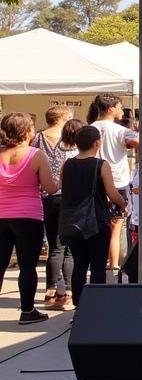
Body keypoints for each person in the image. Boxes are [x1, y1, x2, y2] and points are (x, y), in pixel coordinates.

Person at [60, 125, 127, 309]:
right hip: (96, 220)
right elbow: (112, 193)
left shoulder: (67, 165)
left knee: (79, 264)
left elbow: (62, 187)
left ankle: (79, 306)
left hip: (72, 221)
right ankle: (95, 307)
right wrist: (122, 203)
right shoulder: (100, 164)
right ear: (97, 143)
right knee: (97, 265)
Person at [0, 113, 58, 323]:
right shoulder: (35, 155)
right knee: (27, 266)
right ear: (25, 132)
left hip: (0, 215)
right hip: (28, 215)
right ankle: (27, 311)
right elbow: (50, 188)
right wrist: (60, 179)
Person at [87, 94, 139, 276]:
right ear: (110, 108)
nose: (121, 110)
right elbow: (141, 143)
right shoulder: (120, 130)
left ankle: (100, 263)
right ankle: (114, 265)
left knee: (98, 226)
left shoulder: (89, 128)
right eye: (119, 107)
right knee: (116, 228)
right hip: (118, 181)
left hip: (93, 181)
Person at [31, 106, 75, 309]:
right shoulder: (70, 139)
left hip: (45, 195)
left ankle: (50, 290)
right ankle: (67, 291)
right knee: (68, 248)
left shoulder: (38, 138)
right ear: (62, 118)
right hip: (67, 195)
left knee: (54, 246)